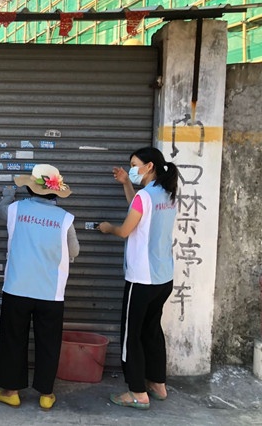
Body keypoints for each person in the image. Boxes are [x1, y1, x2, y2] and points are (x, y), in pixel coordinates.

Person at [0, 164, 80, 410]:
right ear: (55, 192)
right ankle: (46, 394)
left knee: (13, 340)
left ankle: (11, 391)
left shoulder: (15, 209)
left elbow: (0, 210)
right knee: (48, 342)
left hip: (17, 288)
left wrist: (8, 195)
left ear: (30, 188)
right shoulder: (65, 218)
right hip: (50, 293)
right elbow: (74, 251)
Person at [97, 146, 178, 410]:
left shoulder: (145, 196)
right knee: (151, 331)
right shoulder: (167, 193)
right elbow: (139, 211)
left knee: (131, 335)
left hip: (142, 278)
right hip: (163, 277)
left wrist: (108, 228)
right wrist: (126, 183)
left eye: (134, 165)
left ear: (149, 166)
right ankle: (158, 384)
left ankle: (137, 392)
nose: (132, 169)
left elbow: (126, 230)